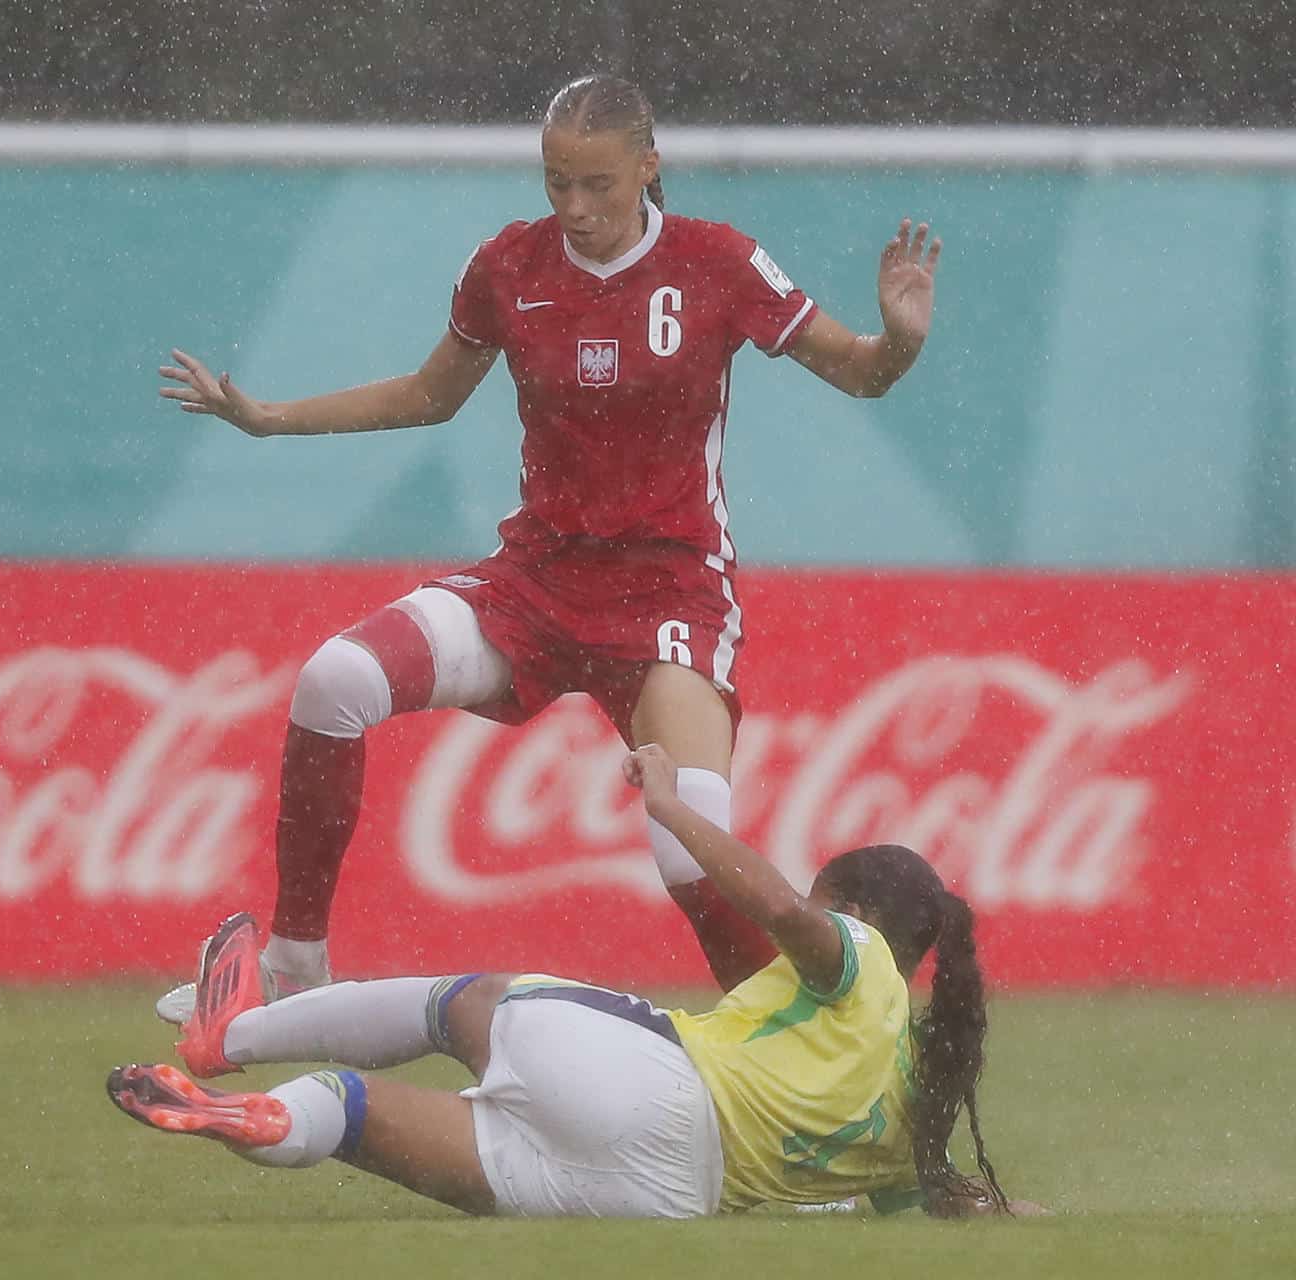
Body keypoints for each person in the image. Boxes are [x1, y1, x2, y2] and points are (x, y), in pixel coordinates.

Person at [156, 73, 944, 1018]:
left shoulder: (717, 262)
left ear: (648, 167)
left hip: (669, 597)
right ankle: (292, 965)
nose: (574, 207)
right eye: (555, 181)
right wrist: (268, 418)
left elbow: (863, 374)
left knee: (687, 845)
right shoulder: (508, 268)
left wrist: (898, 343)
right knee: (335, 680)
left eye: (597, 184)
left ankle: (811, 1059)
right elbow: (427, 394)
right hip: (536, 582)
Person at [109, 744, 1027, 1220]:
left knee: (457, 1001)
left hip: (660, 1084)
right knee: (350, 1114)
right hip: (663, 1201)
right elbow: (946, 1207)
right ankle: (260, 1116)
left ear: (858, 913)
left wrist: (668, 804)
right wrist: (1034, 1213)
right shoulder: (924, 1105)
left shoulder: (861, 956)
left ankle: (225, 1039)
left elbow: (785, 909)